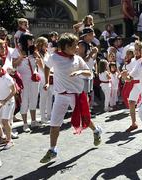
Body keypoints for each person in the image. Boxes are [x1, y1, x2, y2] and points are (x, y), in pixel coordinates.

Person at [40, 33, 102, 163]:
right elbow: (46, 66)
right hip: (60, 96)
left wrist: (80, 72)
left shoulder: (77, 59)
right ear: (65, 47)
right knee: (54, 124)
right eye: (74, 46)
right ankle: (53, 149)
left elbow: (89, 72)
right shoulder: (54, 57)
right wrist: (46, 81)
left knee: (84, 119)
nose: (77, 48)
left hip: (76, 95)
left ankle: (96, 131)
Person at [12, 33, 42, 132]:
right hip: (23, 79)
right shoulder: (17, 50)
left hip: (34, 78)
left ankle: (33, 121)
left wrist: (38, 58)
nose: (32, 42)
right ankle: (25, 124)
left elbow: (41, 65)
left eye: (32, 40)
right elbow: (13, 64)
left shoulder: (34, 51)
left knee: (33, 99)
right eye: (30, 40)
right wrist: (21, 57)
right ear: (25, 40)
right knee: (24, 100)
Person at [36, 37, 53, 124]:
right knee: (43, 97)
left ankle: (49, 115)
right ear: (40, 44)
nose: (47, 45)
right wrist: (49, 73)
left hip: (49, 76)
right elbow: (42, 67)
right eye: (45, 43)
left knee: (50, 96)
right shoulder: (38, 54)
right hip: (42, 78)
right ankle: (43, 117)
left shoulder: (47, 53)